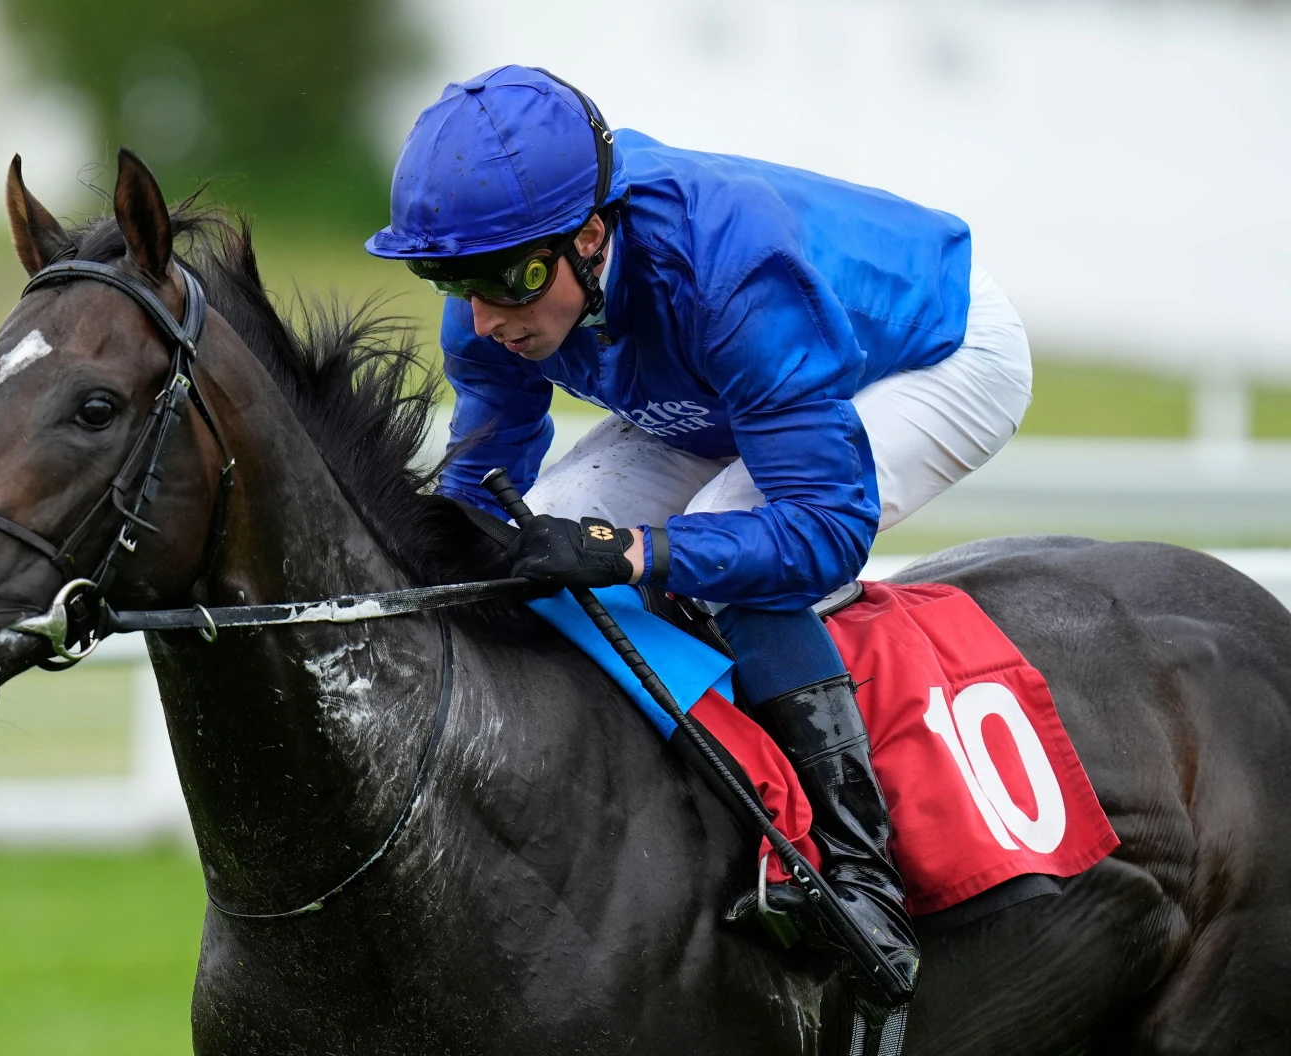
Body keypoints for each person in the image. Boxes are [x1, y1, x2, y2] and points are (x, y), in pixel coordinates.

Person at [366, 65, 1033, 997]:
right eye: (453, 282)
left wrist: (640, 552)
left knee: (723, 541)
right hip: (726, 374)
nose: (485, 318)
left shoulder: (729, 270)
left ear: (589, 237)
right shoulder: (502, 274)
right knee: (541, 541)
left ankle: (861, 875)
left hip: (932, 351)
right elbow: (487, 482)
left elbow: (822, 529)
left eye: (510, 284)